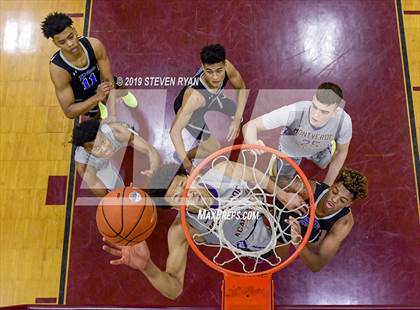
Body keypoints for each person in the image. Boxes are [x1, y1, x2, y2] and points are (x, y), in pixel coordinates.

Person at [102, 161, 367, 299]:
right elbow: (174, 290)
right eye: (176, 198)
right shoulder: (181, 231)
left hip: (269, 212)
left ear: (189, 176)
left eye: (183, 185)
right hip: (260, 246)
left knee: (282, 189)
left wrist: (282, 196)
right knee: (282, 250)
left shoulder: (221, 171)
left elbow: (257, 177)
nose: (187, 195)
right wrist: (147, 267)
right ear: (171, 207)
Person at [243, 82, 352, 185]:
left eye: (324, 112)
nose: (316, 116)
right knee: (282, 181)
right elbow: (250, 125)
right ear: (313, 99)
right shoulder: (293, 112)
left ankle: (326, 147)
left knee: (324, 164)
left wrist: (327, 186)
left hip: (320, 148)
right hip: (292, 148)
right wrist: (252, 142)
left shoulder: (344, 121)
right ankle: (280, 159)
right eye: (315, 107)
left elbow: (341, 152)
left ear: (335, 111)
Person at [41, 12, 136, 120]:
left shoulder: (94, 45)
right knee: (96, 117)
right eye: (62, 42)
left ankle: (125, 94)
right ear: (55, 43)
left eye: (71, 37)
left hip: (101, 83)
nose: (70, 44)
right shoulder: (58, 69)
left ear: (74, 31)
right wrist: (97, 98)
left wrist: (112, 103)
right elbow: (69, 112)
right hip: (84, 97)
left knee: (119, 82)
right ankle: (99, 107)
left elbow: (107, 78)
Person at [171, 44, 247, 172]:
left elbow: (241, 88)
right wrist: (187, 164)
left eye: (219, 71)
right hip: (195, 111)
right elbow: (174, 131)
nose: (215, 77)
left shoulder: (227, 67)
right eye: (209, 71)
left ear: (224, 64)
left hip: (212, 98)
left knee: (238, 113)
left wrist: (237, 118)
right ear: (202, 66)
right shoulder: (194, 97)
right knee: (214, 147)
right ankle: (186, 156)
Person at [275, 167, 368, 272]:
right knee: (279, 251)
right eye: (335, 191)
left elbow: (316, 265)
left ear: (349, 204)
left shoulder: (343, 222)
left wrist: (298, 243)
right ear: (331, 186)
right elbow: (274, 180)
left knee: (314, 242)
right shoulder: (308, 189)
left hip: (315, 231)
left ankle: (308, 234)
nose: (334, 199)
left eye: (342, 200)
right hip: (293, 215)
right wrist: (284, 193)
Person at [72, 119, 160, 197]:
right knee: (116, 190)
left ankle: (129, 135)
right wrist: (122, 197)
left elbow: (150, 150)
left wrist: (153, 170)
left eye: (103, 141)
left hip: (118, 140)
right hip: (99, 165)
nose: (104, 149)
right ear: (88, 151)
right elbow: (104, 195)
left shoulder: (116, 132)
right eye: (97, 148)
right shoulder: (84, 166)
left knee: (133, 141)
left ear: (103, 133)